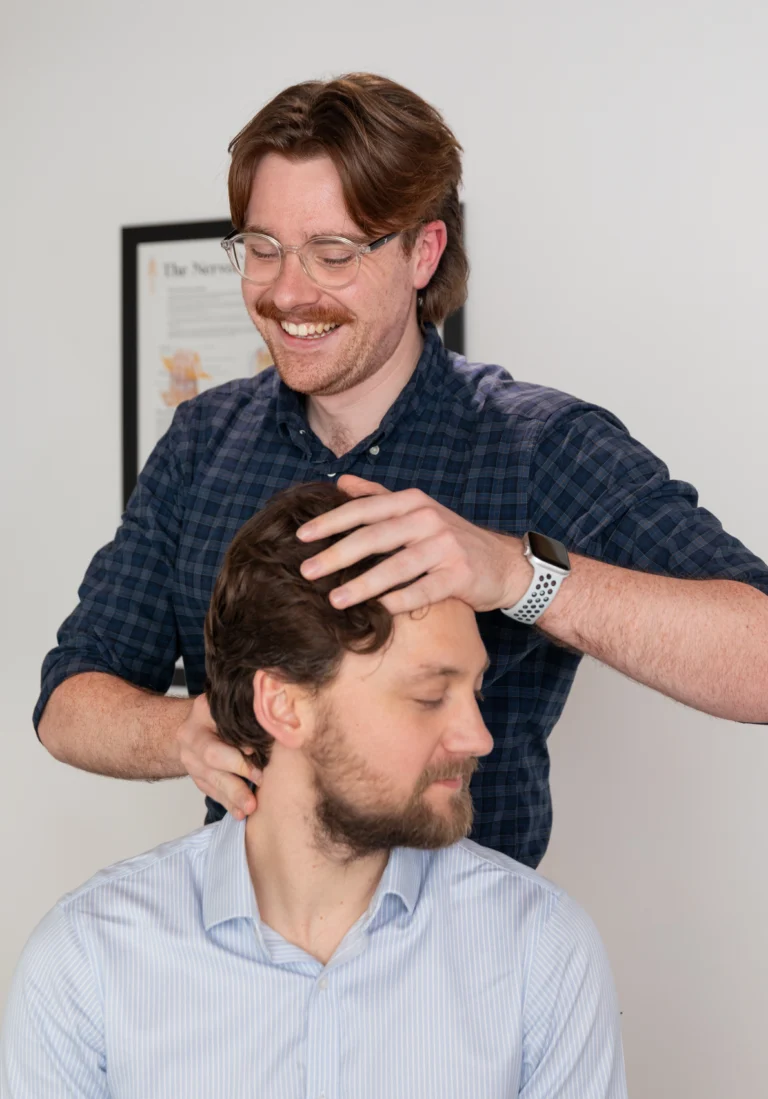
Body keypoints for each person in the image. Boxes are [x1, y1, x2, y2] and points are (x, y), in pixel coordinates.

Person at [36, 73, 768, 869]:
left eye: (333, 253)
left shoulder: (538, 444)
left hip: (472, 935)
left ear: (424, 251)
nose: (287, 292)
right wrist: (183, 731)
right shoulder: (202, 441)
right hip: (245, 934)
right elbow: (69, 700)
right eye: (262, 249)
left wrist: (516, 574)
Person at [3, 483, 627, 1098]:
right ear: (283, 705)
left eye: (475, 691)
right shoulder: (90, 960)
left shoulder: (539, 950)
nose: (478, 738)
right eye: (430, 696)